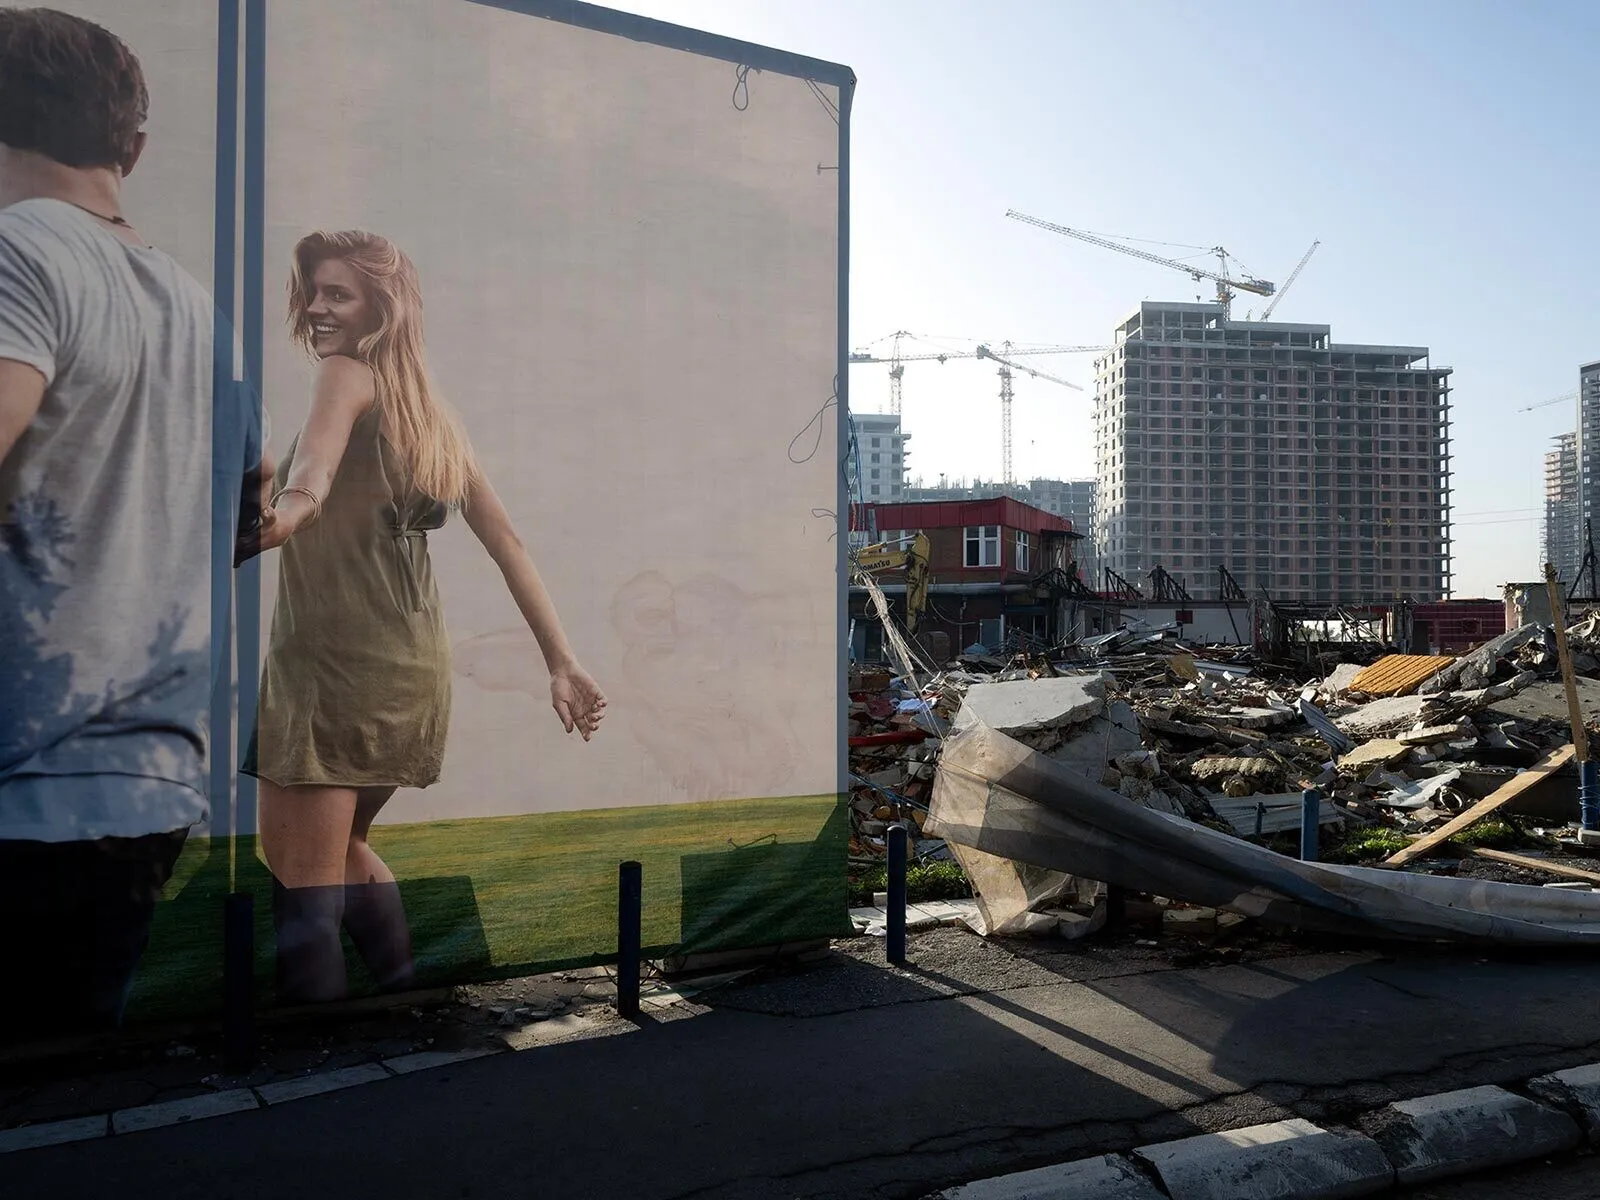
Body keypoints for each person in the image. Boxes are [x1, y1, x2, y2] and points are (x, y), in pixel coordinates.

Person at [237, 229, 606, 1005]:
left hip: (333, 662)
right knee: (349, 847)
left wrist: (284, 516)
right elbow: (507, 542)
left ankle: (328, 1071)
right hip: (410, 668)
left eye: (337, 292)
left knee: (300, 872)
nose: (316, 307)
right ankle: (410, 1008)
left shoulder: (345, 376)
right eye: (312, 291)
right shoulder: (431, 414)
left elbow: (313, 472)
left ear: (380, 304)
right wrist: (561, 661)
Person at [0, 9, 265, 1034]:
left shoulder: (20, 251)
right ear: (135, 148)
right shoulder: (206, 311)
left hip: (24, 787)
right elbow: (250, 517)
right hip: (146, 795)